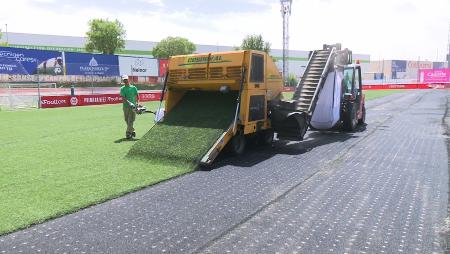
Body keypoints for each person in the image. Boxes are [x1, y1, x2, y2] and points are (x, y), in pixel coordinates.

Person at [120, 75, 139, 139]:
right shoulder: (122, 88)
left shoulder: (133, 88)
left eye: (126, 79)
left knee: (131, 120)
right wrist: (129, 103)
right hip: (126, 107)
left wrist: (137, 103)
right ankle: (133, 130)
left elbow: (137, 96)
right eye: (124, 80)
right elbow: (123, 97)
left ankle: (128, 133)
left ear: (128, 79)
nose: (125, 81)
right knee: (126, 120)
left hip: (133, 107)